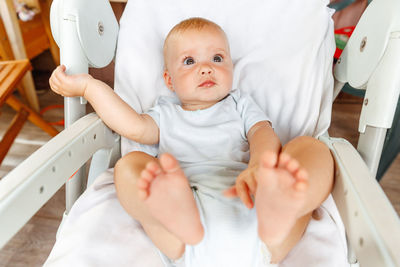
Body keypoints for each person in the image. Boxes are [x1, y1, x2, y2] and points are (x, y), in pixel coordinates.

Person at [49, 17, 334, 265]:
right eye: (189, 61)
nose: (206, 68)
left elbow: (262, 133)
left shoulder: (239, 104)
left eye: (218, 59)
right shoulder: (164, 114)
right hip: (184, 215)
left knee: (311, 148)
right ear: (169, 80)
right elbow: (132, 126)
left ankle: (282, 207)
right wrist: (89, 87)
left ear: (232, 68)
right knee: (131, 164)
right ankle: (170, 214)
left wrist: (260, 165)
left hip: (253, 202)